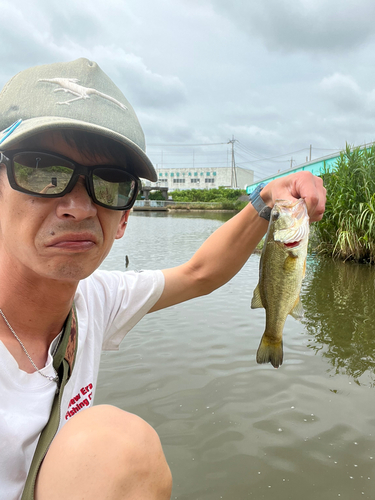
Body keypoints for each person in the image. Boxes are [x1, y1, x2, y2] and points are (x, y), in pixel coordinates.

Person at [0, 58, 326, 500]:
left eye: (111, 183)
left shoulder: (93, 300)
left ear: (124, 219)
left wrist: (266, 201)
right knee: (117, 445)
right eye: (41, 171)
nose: (78, 207)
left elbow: (200, 273)